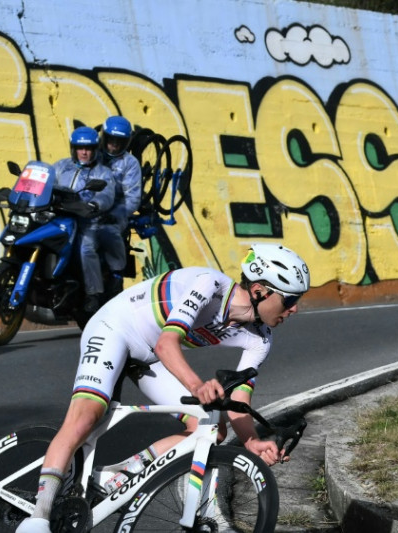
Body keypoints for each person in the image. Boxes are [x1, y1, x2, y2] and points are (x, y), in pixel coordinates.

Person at [16, 243, 311, 533]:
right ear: (259, 291)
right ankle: (38, 517)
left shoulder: (260, 339)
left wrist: (251, 441)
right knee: (86, 416)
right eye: (289, 300)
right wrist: (197, 386)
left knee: (210, 429)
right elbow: (166, 343)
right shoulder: (209, 285)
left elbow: (239, 396)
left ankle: (119, 475)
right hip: (115, 329)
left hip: (149, 357)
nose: (294, 309)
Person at [51, 126, 116, 314]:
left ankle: (93, 294)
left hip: (86, 220)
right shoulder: (61, 166)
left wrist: (95, 204)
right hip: (59, 216)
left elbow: (107, 194)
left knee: (85, 249)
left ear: (95, 149)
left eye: (88, 148)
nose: (84, 152)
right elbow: (47, 181)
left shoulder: (102, 172)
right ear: (74, 148)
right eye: (80, 148)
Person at [97, 115, 142, 295]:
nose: (114, 145)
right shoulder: (93, 154)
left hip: (114, 212)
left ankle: (114, 280)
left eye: (119, 142)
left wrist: (115, 213)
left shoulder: (130, 163)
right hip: (88, 209)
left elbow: (132, 199)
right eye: (111, 140)